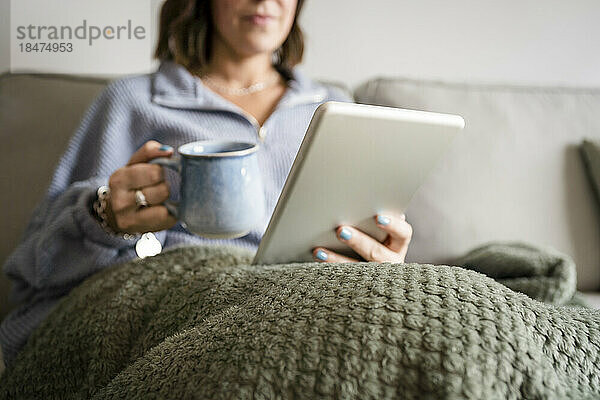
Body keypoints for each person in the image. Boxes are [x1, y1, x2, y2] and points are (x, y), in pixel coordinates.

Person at [0, 0, 413, 370]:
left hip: (308, 296)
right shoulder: (133, 101)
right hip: (182, 297)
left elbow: (361, 239)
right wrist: (103, 214)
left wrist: (380, 258)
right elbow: (33, 266)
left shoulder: (334, 106)